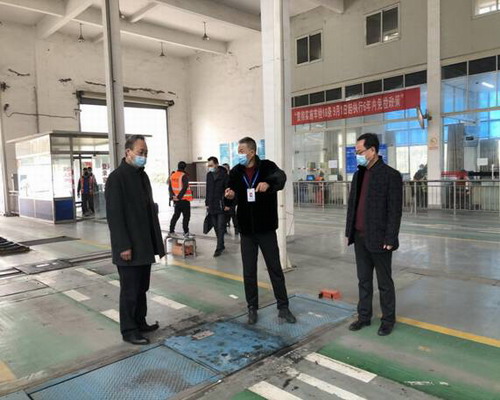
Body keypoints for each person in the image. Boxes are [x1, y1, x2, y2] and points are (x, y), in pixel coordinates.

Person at [225, 137, 296, 325]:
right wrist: (229, 196)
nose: (239, 154)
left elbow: (281, 178)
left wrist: (268, 184)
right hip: (247, 230)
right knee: (249, 271)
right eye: (238, 151)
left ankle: (283, 307)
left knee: (275, 268)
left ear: (252, 152)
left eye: (241, 151)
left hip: (266, 229)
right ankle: (252, 307)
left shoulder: (267, 167)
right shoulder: (236, 172)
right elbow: (230, 196)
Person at [105, 135, 165, 345]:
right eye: (141, 152)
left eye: (146, 152)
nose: (144, 156)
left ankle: (140, 322)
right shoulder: (117, 178)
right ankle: (129, 330)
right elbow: (114, 215)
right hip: (129, 246)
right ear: (128, 152)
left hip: (144, 243)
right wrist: (123, 246)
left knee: (141, 287)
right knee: (130, 291)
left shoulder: (142, 176)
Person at [345, 133, 403, 336]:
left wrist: (390, 237)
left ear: (372, 150)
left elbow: (395, 210)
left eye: (360, 151)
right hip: (360, 236)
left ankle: (388, 320)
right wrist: (349, 231)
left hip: (380, 239)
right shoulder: (358, 175)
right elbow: (352, 205)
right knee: (363, 280)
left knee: (384, 283)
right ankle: (364, 316)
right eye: (356, 152)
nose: (357, 155)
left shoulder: (390, 175)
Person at [205, 157, 229, 257]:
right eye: (208, 165)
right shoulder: (209, 175)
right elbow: (208, 189)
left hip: (221, 205)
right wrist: (207, 203)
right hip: (211, 204)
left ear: (216, 164)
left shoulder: (224, 176)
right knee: (215, 226)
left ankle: (219, 248)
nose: (209, 167)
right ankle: (221, 244)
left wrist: (227, 204)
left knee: (220, 226)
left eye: (211, 165)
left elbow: (228, 190)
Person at [169, 161, 193, 237]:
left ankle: (171, 231)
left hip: (176, 201)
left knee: (176, 216)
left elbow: (170, 187)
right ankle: (186, 232)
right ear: (185, 167)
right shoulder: (183, 176)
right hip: (184, 200)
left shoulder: (173, 175)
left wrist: (173, 196)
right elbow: (185, 187)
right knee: (186, 217)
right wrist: (179, 197)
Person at [223, 162, 239, 235]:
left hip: (232, 198)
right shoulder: (223, 177)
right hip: (225, 198)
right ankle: (225, 227)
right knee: (226, 213)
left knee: (232, 213)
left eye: (225, 168)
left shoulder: (232, 176)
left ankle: (236, 228)